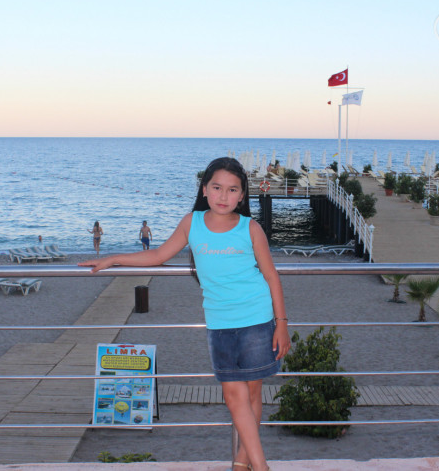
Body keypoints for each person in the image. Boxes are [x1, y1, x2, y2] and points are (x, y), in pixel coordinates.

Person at [80, 157, 290, 471]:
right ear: (204, 189)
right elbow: (158, 254)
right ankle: (260, 467)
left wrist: (282, 324)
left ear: (242, 195)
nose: (223, 196)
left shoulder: (250, 228)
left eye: (232, 190)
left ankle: (245, 464)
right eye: (216, 187)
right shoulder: (192, 223)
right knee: (234, 396)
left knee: (251, 393)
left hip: (257, 319)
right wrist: (114, 259)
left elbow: (272, 276)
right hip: (220, 322)